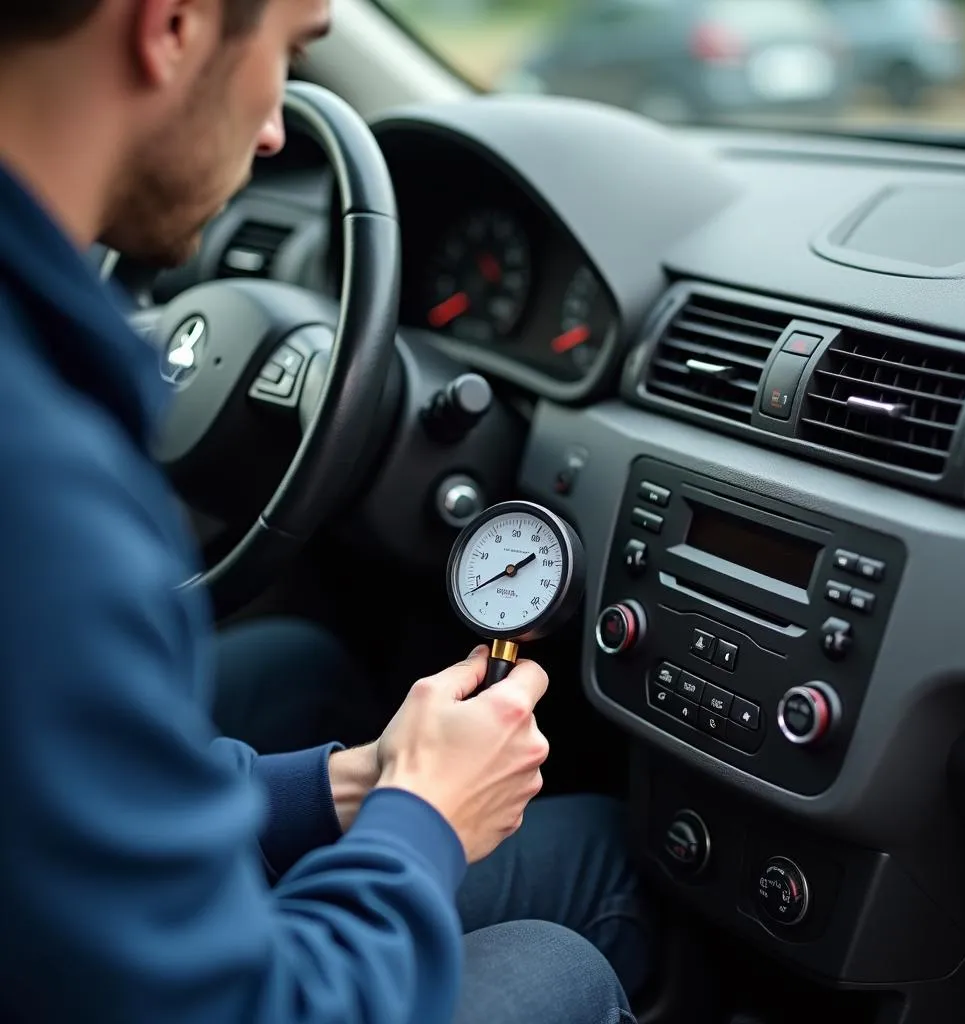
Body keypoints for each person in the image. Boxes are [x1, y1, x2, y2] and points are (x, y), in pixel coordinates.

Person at [0, 2, 659, 1023]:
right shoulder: (44, 484)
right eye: (292, 50)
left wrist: (355, 785)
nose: (275, 130)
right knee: (569, 947)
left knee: (301, 672)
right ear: (171, 24)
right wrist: (423, 816)